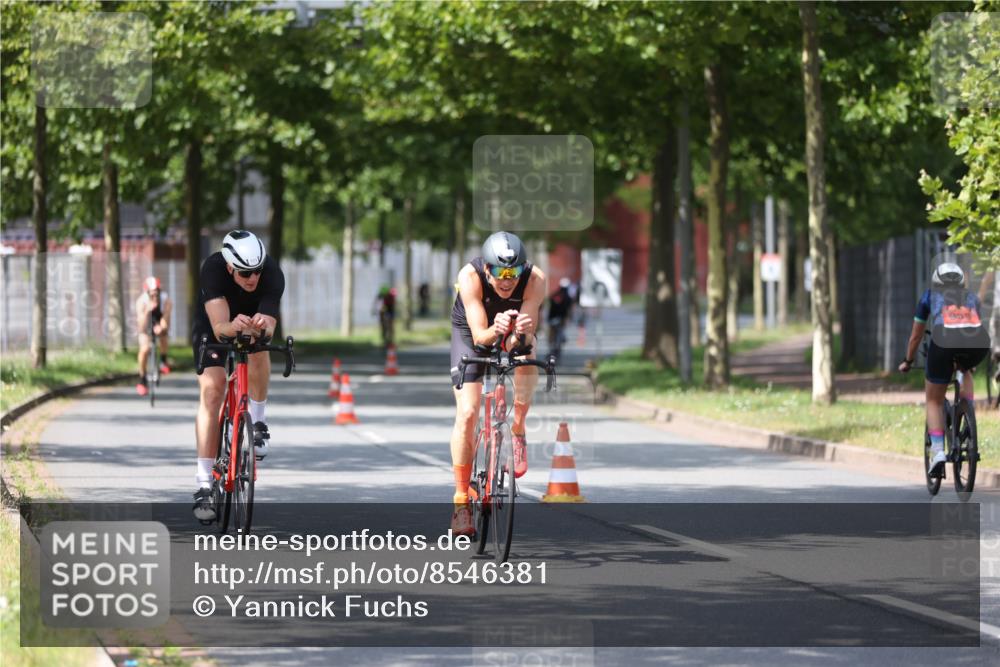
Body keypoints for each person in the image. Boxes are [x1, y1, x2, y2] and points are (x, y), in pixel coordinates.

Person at [449, 231, 545, 535]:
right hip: (472, 332)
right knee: (468, 412)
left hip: (512, 330)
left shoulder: (535, 279)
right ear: (487, 268)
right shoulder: (470, 277)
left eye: (513, 272)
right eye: (500, 272)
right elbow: (480, 337)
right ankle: (461, 502)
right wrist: (496, 329)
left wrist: (519, 334)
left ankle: (518, 428)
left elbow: (521, 342)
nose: (507, 280)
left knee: (528, 353)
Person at [191, 230, 285, 522]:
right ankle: (204, 484)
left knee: (259, 347)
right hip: (214, 326)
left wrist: (261, 328)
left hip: (251, 324)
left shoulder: (272, 273)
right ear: (230, 267)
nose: (252, 278)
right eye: (245, 273)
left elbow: (269, 326)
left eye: (257, 271)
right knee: (213, 390)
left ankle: (258, 422)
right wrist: (233, 327)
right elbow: (220, 328)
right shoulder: (213, 270)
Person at [899, 262, 991, 476]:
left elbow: (916, 336)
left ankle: (938, 451)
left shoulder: (929, 296)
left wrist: (908, 361)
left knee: (934, 400)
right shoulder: (971, 297)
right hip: (978, 343)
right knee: (965, 369)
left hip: (943, 340)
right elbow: (973, 325)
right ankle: (967, 414)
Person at [135, 276, 172, 396]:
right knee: (144, 349)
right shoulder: (141, 302)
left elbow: (166, 318)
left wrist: (161, 327)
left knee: (164, 334)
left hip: (159, 319)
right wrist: (147, 310)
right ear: (147, 293)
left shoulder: (166, 300)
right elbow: (141, 326)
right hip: (145, 324)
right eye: (152, 293)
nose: (155, 296)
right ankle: (142, 379)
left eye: (157, 293)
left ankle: (163, 360)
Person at [547, 277, 574, 357]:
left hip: (554, 318)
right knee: (557, 333)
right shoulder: (568, 297)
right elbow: (569, 309)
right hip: (560, 318)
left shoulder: (554, 295)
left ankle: (554, 348)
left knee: (554, 333)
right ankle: (556, 346)